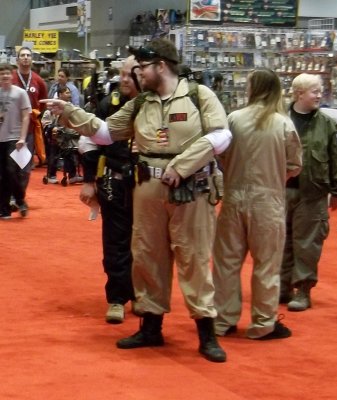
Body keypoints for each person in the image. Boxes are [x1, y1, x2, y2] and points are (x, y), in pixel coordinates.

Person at [41, 38, 231, 363]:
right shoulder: (142, 103)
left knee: (194, 258)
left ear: (161, 65)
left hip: (190, 191)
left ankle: (206, 333)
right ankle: (150, 327)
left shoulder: (200, 96)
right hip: (147, 189)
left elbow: (221, 136)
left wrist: (181, 166)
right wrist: (70, 113)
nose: (137, 74)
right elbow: (104, 133)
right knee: (146, 257)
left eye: (141, 68)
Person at [212, 68, 302, 340]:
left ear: (254, 88)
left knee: (226, 262)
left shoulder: (234, 119)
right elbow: (295, 165)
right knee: (266, 264)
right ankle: (263, 323)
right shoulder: (283, 123)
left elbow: (220, 156)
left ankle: (223, 320)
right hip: (268, 199)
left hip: (234, 196)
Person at [279, 73, 337, 312]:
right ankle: (282, 285)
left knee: (307, 244)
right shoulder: (279, 119)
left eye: (321, 91)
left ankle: (303, 290)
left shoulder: (327, 124)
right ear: (299, 93)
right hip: (281, 192)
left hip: (313, 193)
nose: (320, 95)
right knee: (281, 241)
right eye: (315, 91)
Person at [78, 56, 139, 324]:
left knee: (147, 244)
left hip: (151, 187)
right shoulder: (108, 105)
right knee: (115, 243)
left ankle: (142, 294)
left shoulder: (158, 105)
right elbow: (88, 142)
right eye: (121, 74)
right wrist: (89, 181)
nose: (124, 79)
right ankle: (116, 298)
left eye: (130, 74)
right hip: (114, 184)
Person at [0, 63, 32, 219]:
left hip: (14, 137)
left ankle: (20, 199)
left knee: (11, 171)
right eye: (2, 74)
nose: (5, 76)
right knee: (2, 175)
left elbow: (26, 116)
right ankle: (4, 208)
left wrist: (22, 137)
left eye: (7, 73)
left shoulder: (20, 93)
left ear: (11, 75)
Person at [12, 47, 48, 174]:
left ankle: (20, 189)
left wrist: (35, 114)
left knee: (25, 164)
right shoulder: (10, 78)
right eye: (22, 55)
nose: (26, 57)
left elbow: (43, 102)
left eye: (28, 55)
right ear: (17, 60)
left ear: (32, 60)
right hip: (11, 126)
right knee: (10, 162)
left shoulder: (39, 81)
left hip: (30, 127)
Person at [41, 86, 82, 184]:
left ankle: (72, 175)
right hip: (56, 135)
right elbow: (46, 123)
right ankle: (51, 175)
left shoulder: (72, 107)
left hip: (69, 135)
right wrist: (52, 128)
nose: (69, 95)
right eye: (67, 93)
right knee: (57, 146)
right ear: (60, 95)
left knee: (70, 149)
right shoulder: (52, 107)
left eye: (69, 93)